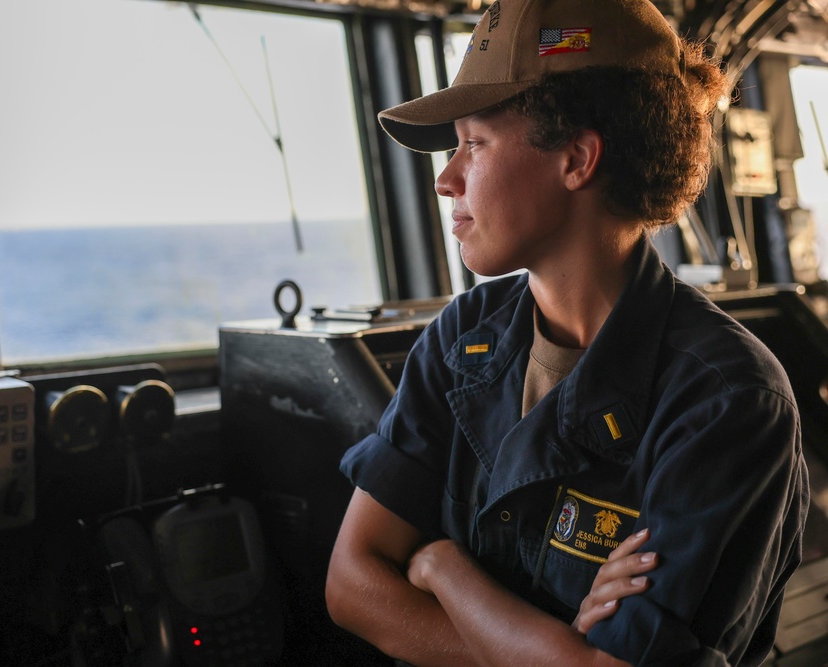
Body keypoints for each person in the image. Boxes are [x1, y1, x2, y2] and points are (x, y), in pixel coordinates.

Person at [324, 0, 810, 665]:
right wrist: (550, 650)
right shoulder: (463, 337)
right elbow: (351, 583)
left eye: (474, 143)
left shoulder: (726, 399)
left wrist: (441, 567)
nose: (446, 178)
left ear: (577, 158)